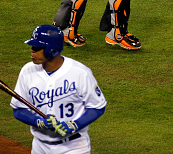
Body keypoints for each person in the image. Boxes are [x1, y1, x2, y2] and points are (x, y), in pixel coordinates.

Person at [11, 25, 107, 153]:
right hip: (40, 147)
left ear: (52, 49)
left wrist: (74, 125)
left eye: (37, 48)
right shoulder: (27, 71)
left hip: (73, 147)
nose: (32, 51)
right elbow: (18, 109)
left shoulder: (79, 73)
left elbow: (97, 106)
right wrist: (38, 121)